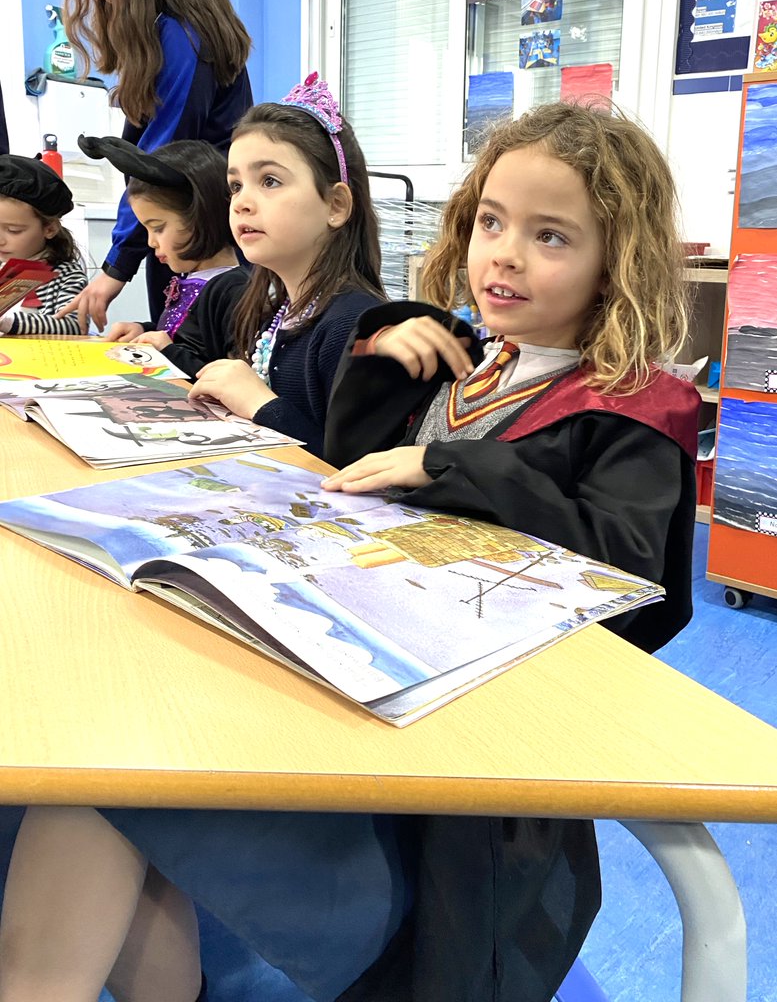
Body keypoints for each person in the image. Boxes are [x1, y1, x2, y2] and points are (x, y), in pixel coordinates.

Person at [0, 100, 699, 1002]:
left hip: (454, 798)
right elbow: (345, 470)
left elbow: (631, 578)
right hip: (353, 688)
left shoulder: (631, 408)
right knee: (97, 762)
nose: (504, 255)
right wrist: (382, 367)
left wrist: (444, 464)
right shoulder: (469, 362)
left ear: (618, 260)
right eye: (490, 223)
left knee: (110, 783)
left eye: (550, 236)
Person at [137, 73, 386, 456]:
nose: (241, 202)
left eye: (269, 181)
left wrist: (261, 404)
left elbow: (358, 470)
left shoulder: (355, 325)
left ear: (336, 205)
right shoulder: (274, 312)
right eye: (236, 186)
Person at [54, 0, 252, 333]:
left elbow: (157, 160)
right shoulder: (165, 25)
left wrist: (116, 267)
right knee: (172, 336)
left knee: (199, 347)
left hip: (200, 236)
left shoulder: (184, 35)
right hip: (183, 229)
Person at [76, 135, 239, 344]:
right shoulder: (192, 277)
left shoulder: (232, 290)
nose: (151, 242)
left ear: (201, 216)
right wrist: (144, 330)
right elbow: (183, 337)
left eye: (158, 228)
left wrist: (166, 350)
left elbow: (225, 362)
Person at [0, 154, 87, 335]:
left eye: (14, 230)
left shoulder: (66, 275)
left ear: (49, 229)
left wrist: (8, 322)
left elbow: (75, 325)